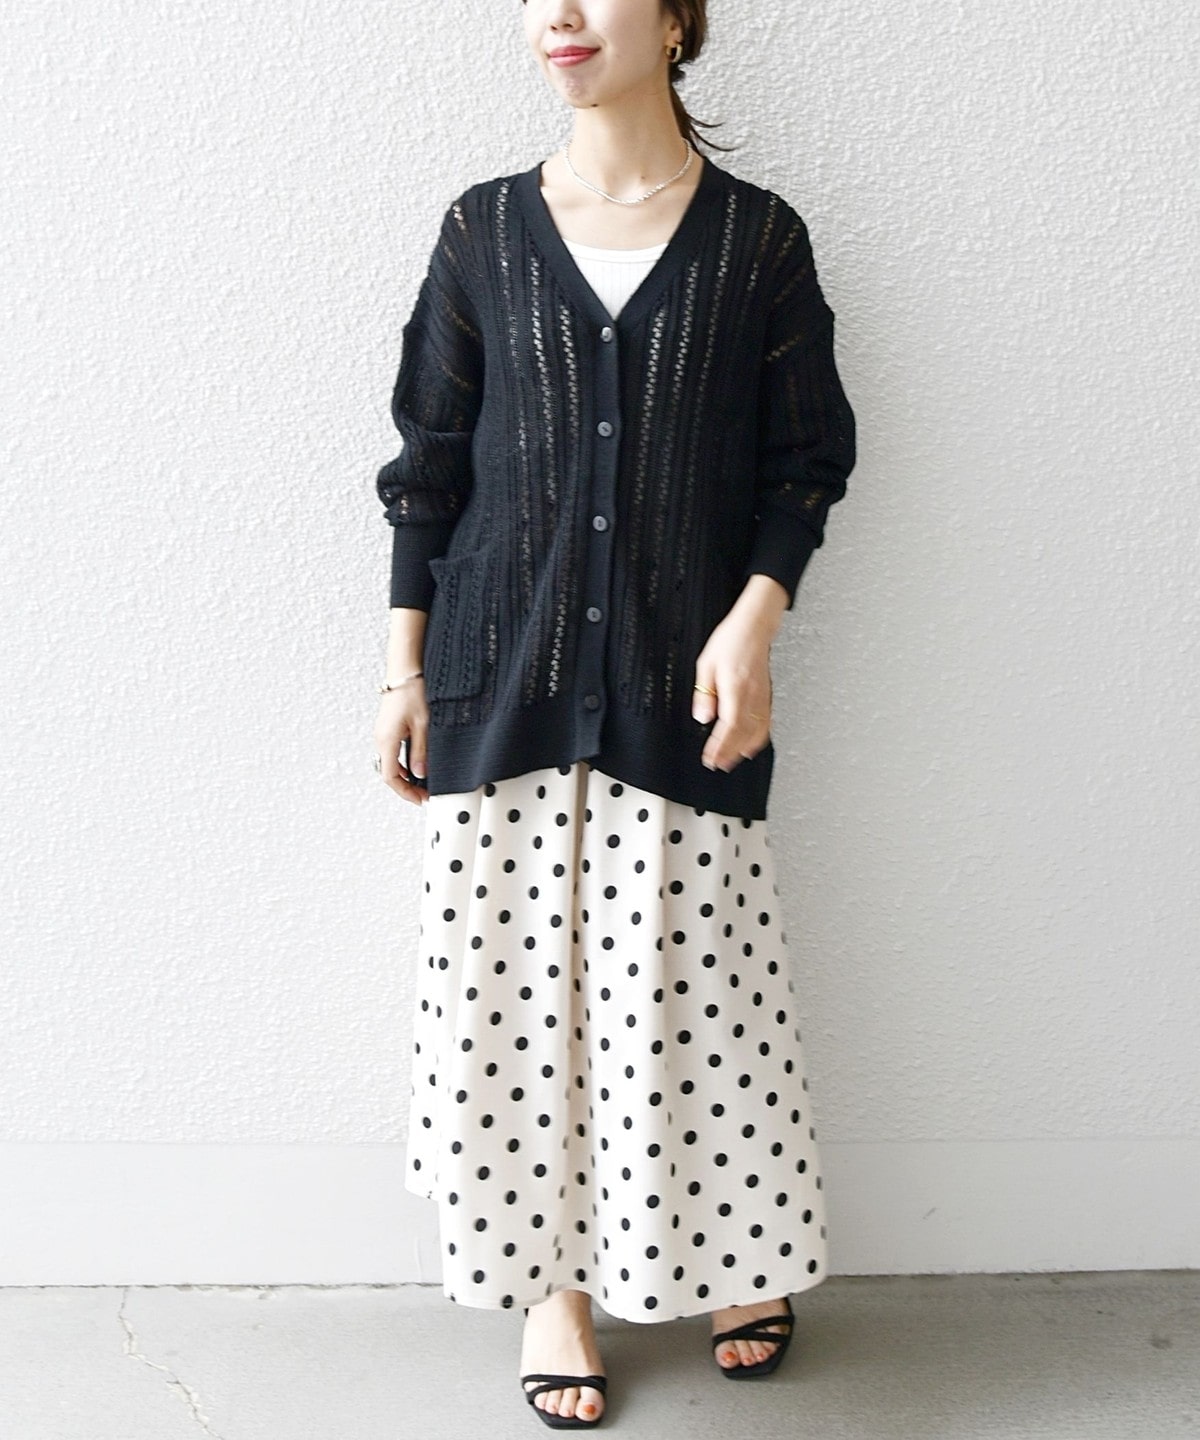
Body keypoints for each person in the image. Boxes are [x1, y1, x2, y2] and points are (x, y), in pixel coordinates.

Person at [371, 0, 856, 1427]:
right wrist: (403, 670)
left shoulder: (756, 242)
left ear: (678, 18)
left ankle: (735, 1254)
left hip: (676, 688)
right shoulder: (483, 230)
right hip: (499, 681)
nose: (559, 15)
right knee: (518, 1014)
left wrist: (755, 622)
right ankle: (552, 1290)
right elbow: (428, 466)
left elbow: (806, 463)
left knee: (696, 998)